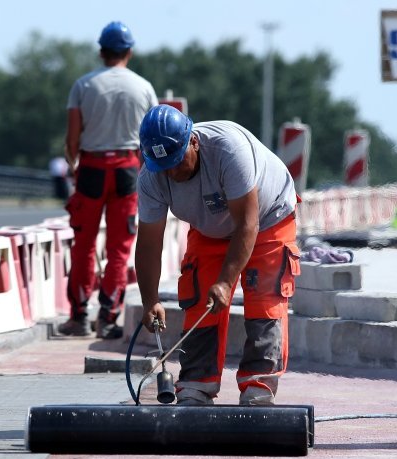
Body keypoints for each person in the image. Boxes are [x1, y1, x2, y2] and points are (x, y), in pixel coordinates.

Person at [134, 104, 300, 406]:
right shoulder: (151, 177)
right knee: (200, 302)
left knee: (263, 300)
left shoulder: (227, 150)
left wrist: (226, 281)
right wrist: (150, 300)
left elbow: (248, 224)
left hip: (267, 220)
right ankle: (197, 383)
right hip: (209, 229)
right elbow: (148, 243)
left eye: (177, 161)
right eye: (164, 167)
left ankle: (257, 385)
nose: (172, 172)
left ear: (193, 142)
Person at [59, 21, 158, 339]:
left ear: (102, 51)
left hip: (91, 168)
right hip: (129, 170)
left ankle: (78, 317)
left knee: (84, 246)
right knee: (119, 249)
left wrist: (75, 167)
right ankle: (108, 318)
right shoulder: (143, 87)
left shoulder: (84, 86)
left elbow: (72, 140)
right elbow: (153, 136)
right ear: (129, 51)